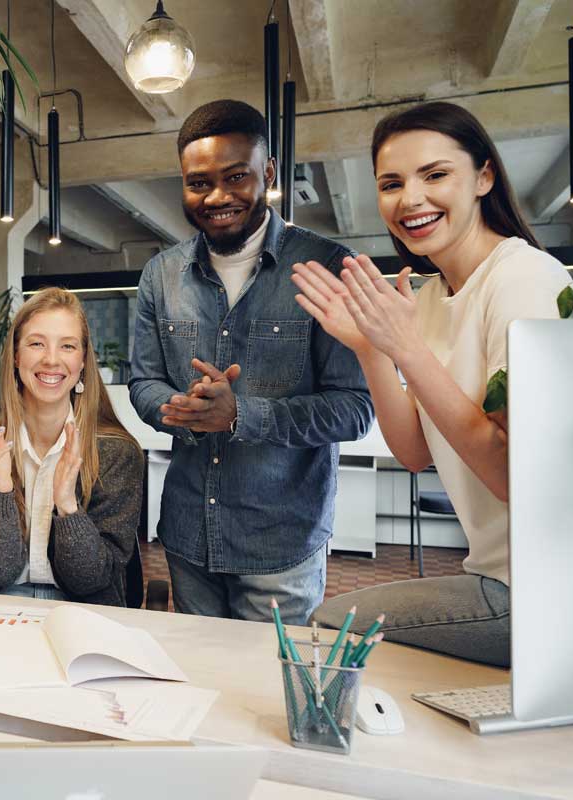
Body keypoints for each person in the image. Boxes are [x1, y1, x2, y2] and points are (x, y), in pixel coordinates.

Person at [299, 102, 573, 667]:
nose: (411, 199)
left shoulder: (524, 279)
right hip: (497, 576)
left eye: (435, 174)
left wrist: (406, 348)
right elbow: (416, 452)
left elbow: (514, 476)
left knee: (330, 628)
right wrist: (373, 349)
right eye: (392, 183)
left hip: (552, 591)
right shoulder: (427, 298)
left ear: (484, 177)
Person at [128, 100, 374, 624]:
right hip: (188, 532)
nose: (217, 196)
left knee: (267, 693)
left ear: (268, 173)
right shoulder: (161, 275)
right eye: (198, 183)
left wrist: (240, 415)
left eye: (235, 176)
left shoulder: (326, 266)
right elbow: (143, 381)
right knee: (205, 681)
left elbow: (354, 410)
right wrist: (180, 409)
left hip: (281, 543)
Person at [0, 288, 144, 606]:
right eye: (37, 343)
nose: (51, 359)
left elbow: (90, 580)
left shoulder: (116, 453)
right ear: (16, 356)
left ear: (82, 361)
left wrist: (68, 506)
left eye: (67, 346)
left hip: (83, 610)